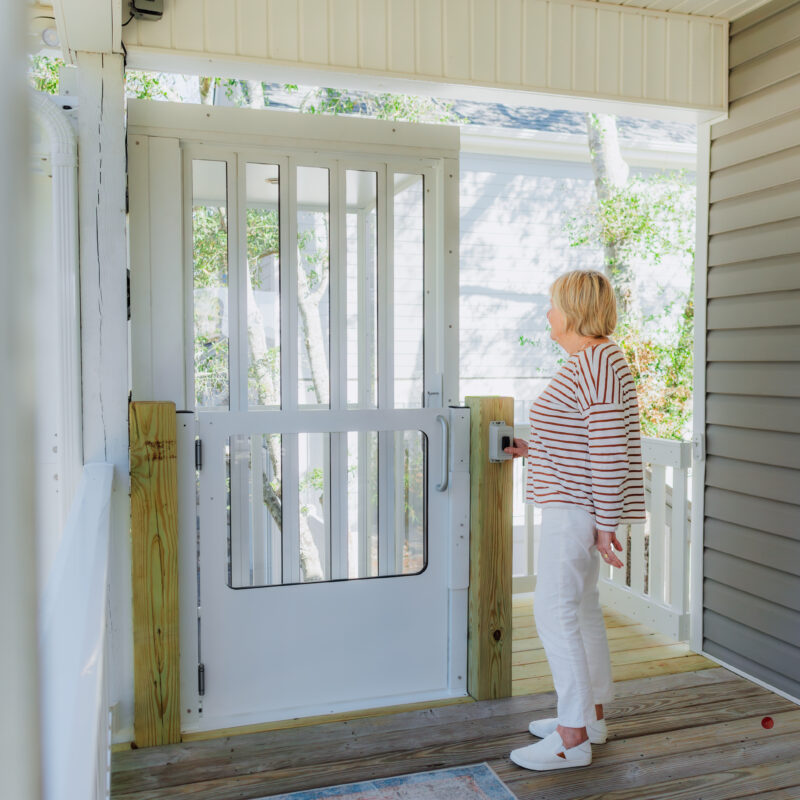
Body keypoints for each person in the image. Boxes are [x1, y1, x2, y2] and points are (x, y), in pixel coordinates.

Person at [505, 269, 645, 771]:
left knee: (554, 612)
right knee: (581, 609)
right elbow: (582, 438)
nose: (547, 314)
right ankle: (592, 717)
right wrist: (533, 448)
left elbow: (608, 452)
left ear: (574, 310)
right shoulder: (595, 361)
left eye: (552, 304)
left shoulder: (598, 362)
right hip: (578, 505)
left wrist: (605, 525)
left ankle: (571, 738)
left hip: (577, 511)